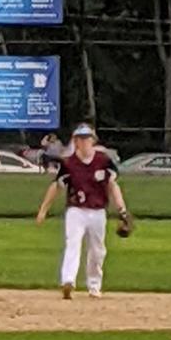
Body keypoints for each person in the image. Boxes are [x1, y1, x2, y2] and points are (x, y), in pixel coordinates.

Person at [35, 123, 131, 300]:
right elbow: (56, 186)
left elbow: (112, 185)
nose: (85, 142)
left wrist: (122, 209)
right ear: (76, 142)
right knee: (73, 243)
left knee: (97, 250)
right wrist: (43, 210)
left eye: (87, 138)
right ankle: (68, 281)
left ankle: (94, 286)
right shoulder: (69, 164)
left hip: (98, 211)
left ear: (93, 140)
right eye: (81, 138)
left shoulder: (103, 161)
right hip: (76, 211)